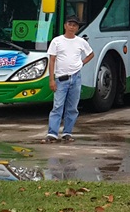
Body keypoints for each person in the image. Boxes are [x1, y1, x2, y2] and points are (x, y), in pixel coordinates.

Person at [41, 15, 95, 144]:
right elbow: (52, 60)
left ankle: (67, 133)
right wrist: (51, 79)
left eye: (74, 25)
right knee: (57, 106)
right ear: (65, 26)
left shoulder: (81, 42)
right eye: (70, 24)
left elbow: (91, 54)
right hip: (61, 79)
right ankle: (52, 134)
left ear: (77, 28)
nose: (72, 27)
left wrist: (81, 63)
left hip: (76, 78)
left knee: (72, 107)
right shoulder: (57, 41)